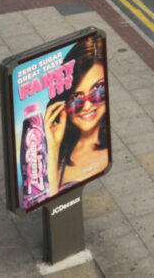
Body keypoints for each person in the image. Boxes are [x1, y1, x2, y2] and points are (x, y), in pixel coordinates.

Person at [43, 37, 109, 196]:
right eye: (75, 99)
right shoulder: (56, 152)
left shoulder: (107, 152)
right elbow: (34, 199)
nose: (87, 106)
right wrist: (51, 149)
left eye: (98, 90)